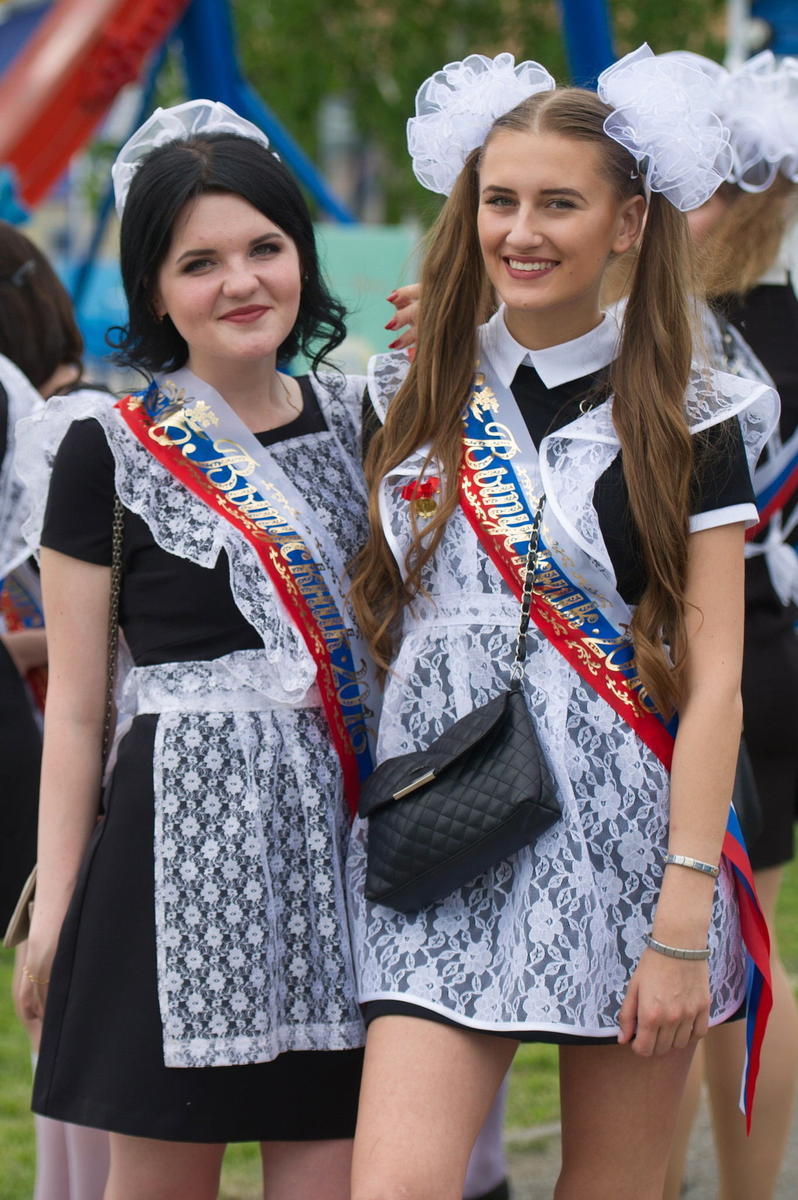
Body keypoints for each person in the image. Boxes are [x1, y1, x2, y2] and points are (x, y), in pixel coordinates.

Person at [345, 48, 777, 1200]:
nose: (521, 231)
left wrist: (683, 914)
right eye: (500, 200)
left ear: (629, 222)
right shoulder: (404, 389)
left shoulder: (691, 412)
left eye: (558, 203)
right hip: (443, 833)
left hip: (634, 848)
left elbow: (717, 683)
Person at [16, 100, 376, 1200]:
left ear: (302, 257)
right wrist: (57, 908)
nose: (241, 283)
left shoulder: (369, 423)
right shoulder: (106, 451)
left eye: (266, 248)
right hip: (175, 861)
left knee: (331, 1172)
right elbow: (80, 712)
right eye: (200, 262)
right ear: (156, 289)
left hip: (343, 864)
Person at [660, 50, 798, 1200]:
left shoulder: (679, 332)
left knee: (697, 954)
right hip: (770, 646)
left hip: (699, 654)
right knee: (751, 946)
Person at [0, 221, 112, 1200]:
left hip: (86, 749)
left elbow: (100, 637)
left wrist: (22, 647)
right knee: (51, 1011)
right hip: (56, 746)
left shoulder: (80, 427)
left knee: (69, 1015)